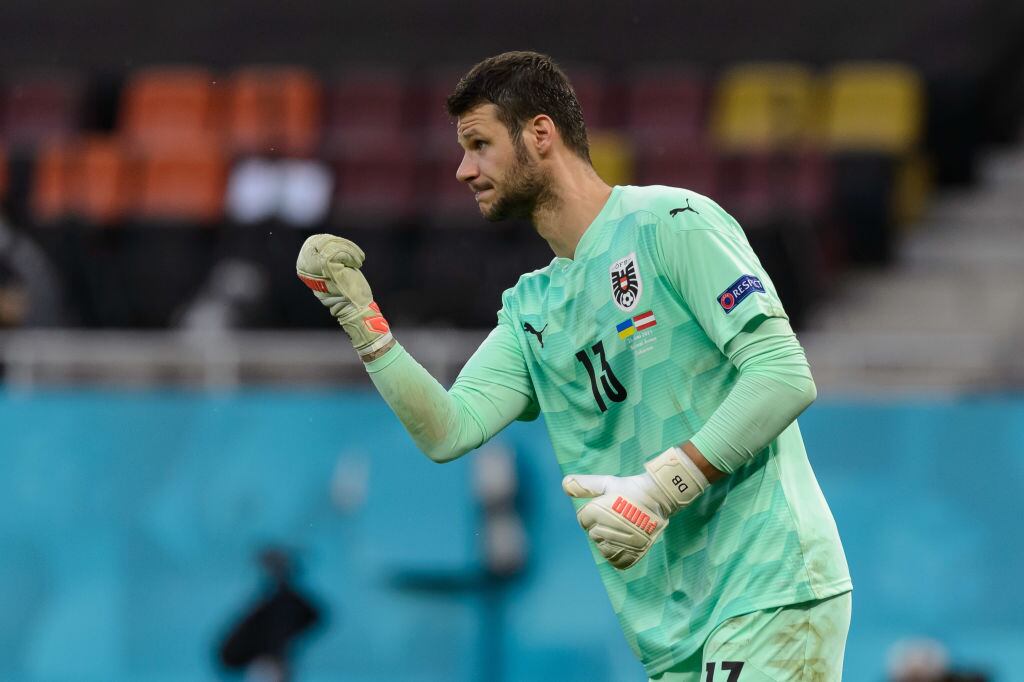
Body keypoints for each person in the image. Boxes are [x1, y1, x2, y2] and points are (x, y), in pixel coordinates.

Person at [296, 51, 852, 681]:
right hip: (673, 630)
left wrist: (661, 488)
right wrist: (362, 323)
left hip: (765, 584)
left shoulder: (672, 223)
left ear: (540, 133)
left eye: (479, 144)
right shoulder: (532, 307)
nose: (461, 169)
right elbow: (449, 429)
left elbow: (782, 375)